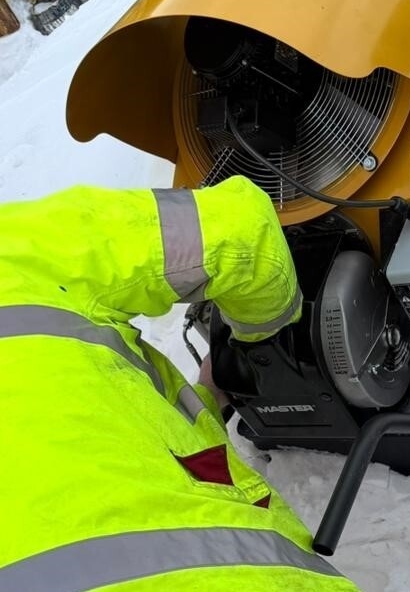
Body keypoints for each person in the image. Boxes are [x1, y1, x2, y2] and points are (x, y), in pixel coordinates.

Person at [0, 176, 360, 591]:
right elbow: (243, 229)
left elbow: (66, 454)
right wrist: (267, 337)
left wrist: (208, 399)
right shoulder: (23, 246)